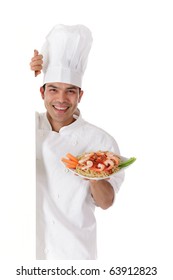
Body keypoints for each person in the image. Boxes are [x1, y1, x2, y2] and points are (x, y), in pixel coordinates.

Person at [30, 24, 124, 260]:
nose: (61, 99)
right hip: (26, 251)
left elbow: (106, 202)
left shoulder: (100, 141)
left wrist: (93, 174)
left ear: (80, 95)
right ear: (42, 93)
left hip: (74, 255)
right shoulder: (25, 127)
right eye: (53, 90)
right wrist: (16, 73)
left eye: (70, 91)